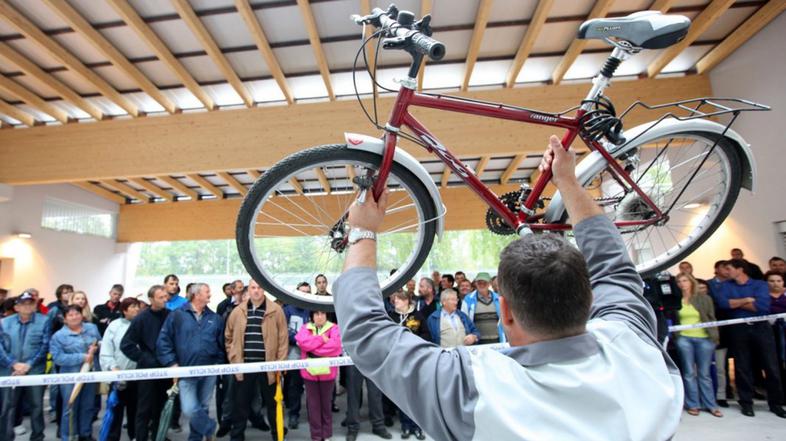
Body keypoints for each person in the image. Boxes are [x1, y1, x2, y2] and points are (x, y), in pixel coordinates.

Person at [333, 135, 684, 440]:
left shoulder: (473, 388)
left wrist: (362, 231)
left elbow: (366, 333)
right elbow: (615, 268)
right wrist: (570, 184)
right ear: (588, 298)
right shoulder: (634, 349)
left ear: (506, 312)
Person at [715, 259, 786, 417]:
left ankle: (776, 403)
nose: (726, 272)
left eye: (729, 269)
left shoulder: (759, 284)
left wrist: (736, 303)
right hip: (738, 329)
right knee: (742, 366)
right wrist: (747, 300)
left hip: (761, 327)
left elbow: (762, 306)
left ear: (740, 269)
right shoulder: (725, 286)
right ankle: (746, 403)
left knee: (771, 366)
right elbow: (723, 304)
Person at [157, 283, 225, 441]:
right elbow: (164, 341)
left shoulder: (215, 318)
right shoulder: (177, 315)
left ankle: (195, 438)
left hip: (209, 370)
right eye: (207, 292)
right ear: (196, 295)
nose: (210, 295)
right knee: (189, 408)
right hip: (186, 370)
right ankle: (210, 428)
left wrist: (218, 364)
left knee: (203, 407)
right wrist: (172, 363)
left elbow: (221, 343)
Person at [225, 279, 288, 441]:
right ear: (249, 290)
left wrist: (280, 363)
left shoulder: (276, 310)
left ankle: (278, 436)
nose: (256, 291)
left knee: (274, 405)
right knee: (240, 405)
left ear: (264, 290)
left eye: (259, 287)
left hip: (269, 367)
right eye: (253, 287)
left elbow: (283, 338)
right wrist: (234, 358)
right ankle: (237, 437)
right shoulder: (238, 311)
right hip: (244, 366)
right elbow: (228, 337)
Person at [120, 285, 170, 441]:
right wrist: (144, 358)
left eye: (165, 296)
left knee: (161, 408)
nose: (165, 300)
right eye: (161, 297)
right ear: (151, 299)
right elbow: (126, 344)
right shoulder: (141, 319)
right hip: (147, 371)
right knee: (144, 409)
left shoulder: (172, 316)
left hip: (167, 369)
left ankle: (158, 437)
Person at [0, 292, 50, 441]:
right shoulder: (4, 322)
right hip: (9, 369)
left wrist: (29, 365)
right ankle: (5, 437)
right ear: (16, 307)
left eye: (30, 303)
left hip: (34, 369)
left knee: (36, 406)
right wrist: (13, 364)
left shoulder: (44, 321)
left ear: (35, 306)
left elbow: (45, 345)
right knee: (7, 406)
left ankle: (37, 436)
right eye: (23, 303)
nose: (27, 306)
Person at [670, 273, 722, 417]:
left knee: (704, 374)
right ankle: (693, 404)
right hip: (684, 338)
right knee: (688, 373)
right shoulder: (675, 300)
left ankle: (711, 405)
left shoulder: (704, 299)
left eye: (685, 280)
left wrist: (714, 337)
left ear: (691, 282)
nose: (682, 283)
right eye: (679, 281)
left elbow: (711, 317)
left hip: (704, 338)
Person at [50, 305, 100, 441]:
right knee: (70, 407)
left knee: (88, 405)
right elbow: (58, 358)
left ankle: (85, 434)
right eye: (70, 315)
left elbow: (99, 343)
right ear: (65, 319)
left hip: (90, 374)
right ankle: (69, 436)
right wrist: (82, 357)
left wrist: (96, 348)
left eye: (77, 313)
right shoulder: (58, 336)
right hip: (69, 376)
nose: (74, 317)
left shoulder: (91, 329)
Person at [295, 310, 342, 441]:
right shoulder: (305, 328)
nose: (319, 316)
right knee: (313, 406)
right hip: (309, 374)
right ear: (312, 316)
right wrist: (321, 339)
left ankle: (326, 435)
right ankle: (316, 436)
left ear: (327, 315)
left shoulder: (334, 328)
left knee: (326, 405)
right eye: (316, 314)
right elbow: (302, 343)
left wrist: (312, 349)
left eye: (322, 314)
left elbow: (335, 347)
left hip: (328, 374)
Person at [387, 290, 427, 440]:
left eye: (398, 298)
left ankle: (417, 426)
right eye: (393, 299)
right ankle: (405, 425)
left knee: (416, 395)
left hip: (415, 359)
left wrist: (412, 341)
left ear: (406, 300)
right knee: (403, 395)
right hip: (398, 360)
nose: (395, 301)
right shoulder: (391, 317)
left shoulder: (417, 315)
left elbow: (427, 334)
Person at [100, 297, 140, 441]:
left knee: (135, 413)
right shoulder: (114, 326)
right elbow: (106, 350)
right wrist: (113, 368)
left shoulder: (142, 324)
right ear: (124, 310)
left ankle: (134, 436)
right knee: (115, 413)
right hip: (118, 376)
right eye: (133, 306)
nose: (137, 309)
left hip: (137, 377)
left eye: (138, 306)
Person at [284, 282, 312, 430]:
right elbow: (284, 331)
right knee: (294, 386)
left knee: (311, 386)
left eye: (307, 292)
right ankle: (293, 414)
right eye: (302, 292)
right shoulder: (287, 310)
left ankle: (313, 414)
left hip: (311, 354)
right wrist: (300, 340)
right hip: (294, 354)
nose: (304, 295)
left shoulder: (312, 310)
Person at [460, 272, 506, 344]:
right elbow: (464, 321)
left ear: (490, 283)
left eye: (484, 282)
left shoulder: (498, 298)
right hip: (477, 343)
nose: (482, 285)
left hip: (497, 341)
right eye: (479, 282)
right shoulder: (468, 299)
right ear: (475, 283)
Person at [766, 270, 786, 399]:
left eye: (778, 281)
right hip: (770, 334)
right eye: (772, 281)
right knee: (775, 366)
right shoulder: (763, 296)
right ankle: (778, 396)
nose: (775, 284)